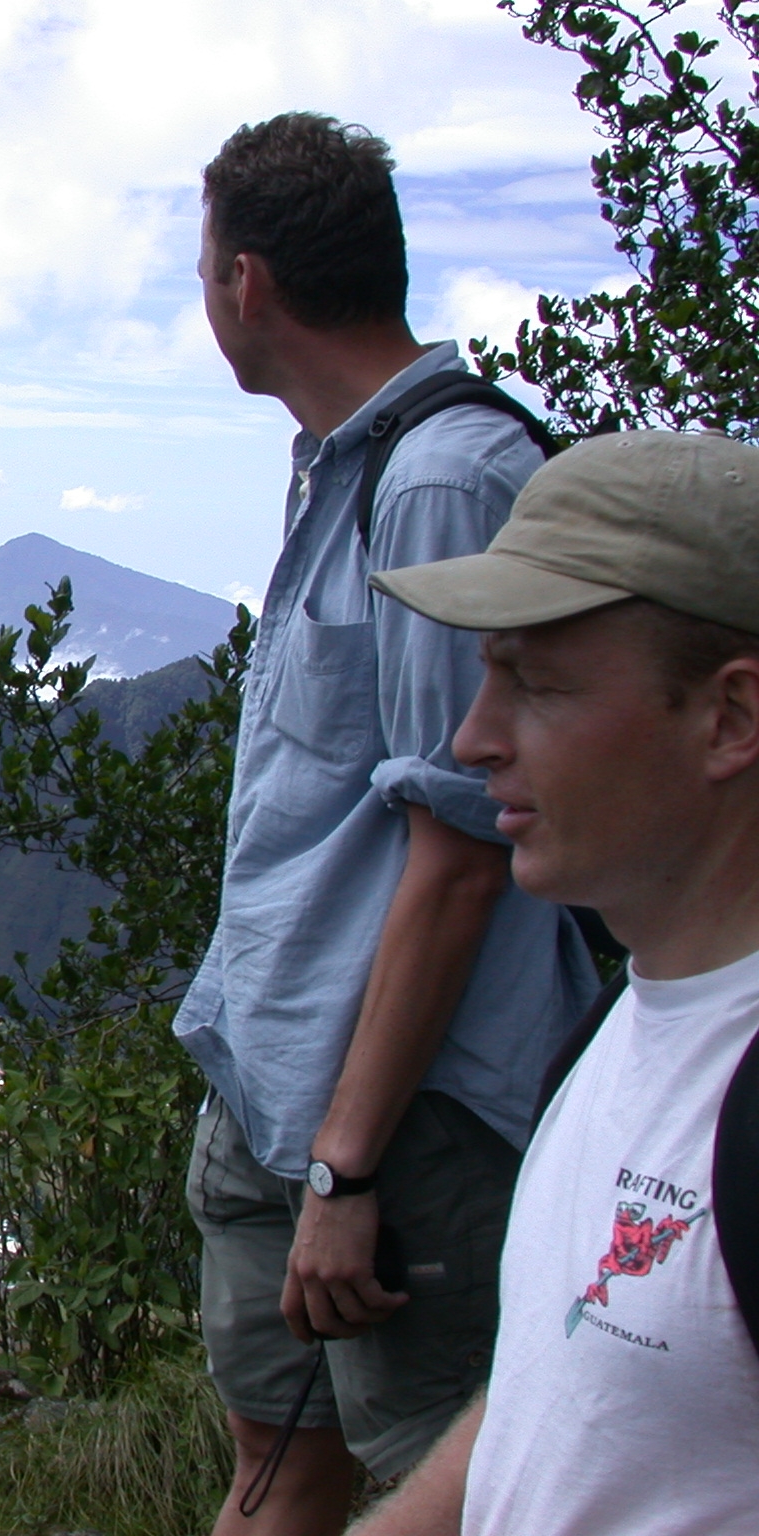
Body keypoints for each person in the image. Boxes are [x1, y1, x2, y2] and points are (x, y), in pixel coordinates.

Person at [177, 112, 598, 1532]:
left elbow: (464, 855)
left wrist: (349, 1169)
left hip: (400, 1127)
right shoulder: (337, 466)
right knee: (275, 1466)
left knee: (447, 1485)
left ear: (247, 284)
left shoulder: (438, 484)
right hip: (275, 1078)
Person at [352, 430, 759, 1534]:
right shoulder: (619, 1018)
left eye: (533, 685)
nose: (473, 739)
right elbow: (563, 1389)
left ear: (728, 718)